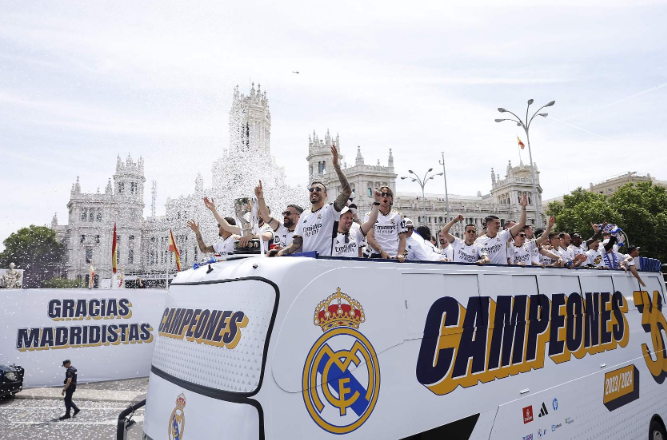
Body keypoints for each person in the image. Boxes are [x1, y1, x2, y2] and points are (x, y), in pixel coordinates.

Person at [275, 145, 352, 256]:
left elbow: (346, 192)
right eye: (311, 189)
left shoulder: (330, 210)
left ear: (325, 195)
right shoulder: (304, 215)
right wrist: (281, 252)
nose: (314, 191)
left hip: (324, 263)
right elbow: (297, 242)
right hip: (307, 263)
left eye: (318, 189)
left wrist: (336, 166)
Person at [475, 194, 527, 264]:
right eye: (496, 223)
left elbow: (521, 224)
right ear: (488, 224)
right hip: (488, 273)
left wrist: (523, 208)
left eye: (499, 223)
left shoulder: (503, 235)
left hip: (502, 272)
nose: (499, 225)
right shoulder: (479, 241)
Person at [254, 180, 304, 251]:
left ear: (298, 216)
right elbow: (266, 217)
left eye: (288, 213)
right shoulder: (282, 229)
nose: (285, 215)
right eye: (284, 213)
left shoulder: (304, 231)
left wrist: (283, 250)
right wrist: (260, 198)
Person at [332, 191, 382, 257]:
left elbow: (371, 221)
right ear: (339, 219)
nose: (349, 220)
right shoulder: (330, 236)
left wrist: (377, 202)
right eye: (346, 218)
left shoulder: (356, 231)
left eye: (351, 218)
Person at [364, 186, 407, 261]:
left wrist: (400, 254)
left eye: (388, 194)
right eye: (382, 194)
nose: (385, 196)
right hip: (376, 255)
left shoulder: (398, 215)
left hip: (393, 256)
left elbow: (403, 238)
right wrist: (381, 251)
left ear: (391, 199)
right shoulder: (369, 215)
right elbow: (369, 238)